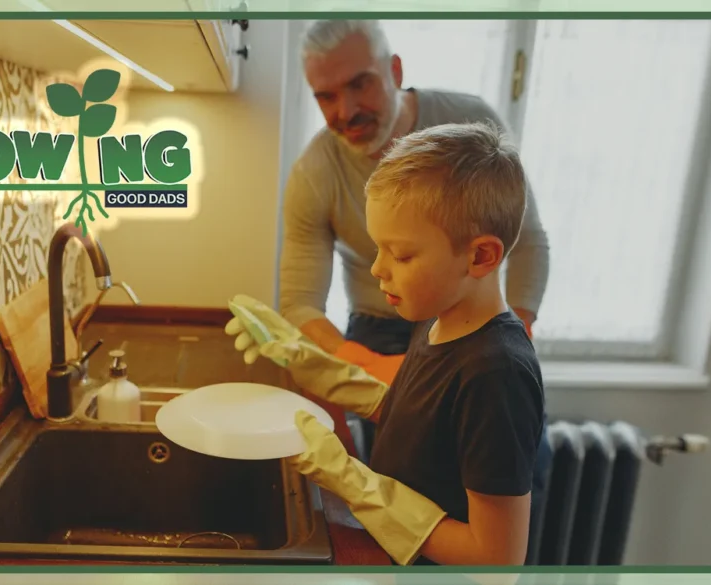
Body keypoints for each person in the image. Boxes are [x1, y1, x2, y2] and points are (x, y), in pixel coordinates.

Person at [227, 121, 545, 566]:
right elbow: (416, 418)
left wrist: (353, 482)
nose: (378, 269)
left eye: (401, 254)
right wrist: (307, 362)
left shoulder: (496, 374)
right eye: (378, 248)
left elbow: (495, 561)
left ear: (480, 256)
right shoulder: (437, 317)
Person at [277, 19, 550, 462]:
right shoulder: (315, 173)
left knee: (518, 456)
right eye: (325, 96)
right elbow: (299, 305)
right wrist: (367, 366)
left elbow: (530, 242)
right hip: (377, 331)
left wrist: (512, 345)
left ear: (396, 72)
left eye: (359, 84)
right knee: (403, 465)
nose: (345, 111)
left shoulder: (471, 126)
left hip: (476, 323)